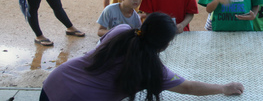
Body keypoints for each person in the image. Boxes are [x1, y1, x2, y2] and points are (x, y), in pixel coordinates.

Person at [41, 13, 244, 101]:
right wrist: (224, 88)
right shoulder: (153, 70)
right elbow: (188, 87)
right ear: (164, 46)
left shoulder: (121, 30)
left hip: (55, 81)